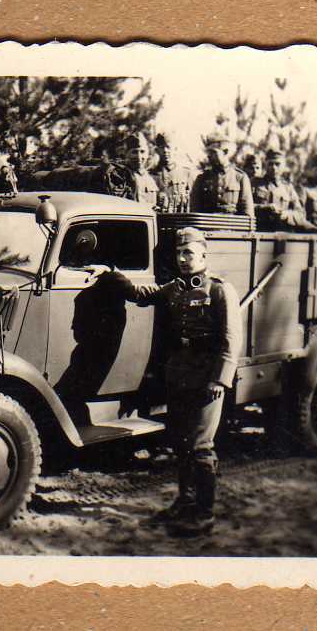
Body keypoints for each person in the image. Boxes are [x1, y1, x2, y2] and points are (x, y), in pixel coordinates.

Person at [102, 227, 243, 537]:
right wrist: (113, 274)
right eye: (179, 253)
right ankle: (185, 502)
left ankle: (204, 513)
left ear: (204, 255)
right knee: (180, 444)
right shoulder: (175, 288)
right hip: (179, 374)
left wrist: (220, 379)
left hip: (208, 379)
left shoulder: (220, 290)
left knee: (201, 446)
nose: (183, 258)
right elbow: (142, 295)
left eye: (189, 253)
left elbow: (231, 340)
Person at [190, 141, 255, 217]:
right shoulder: (202, 178)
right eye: (208, 153)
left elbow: (247, 212)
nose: (209, 156)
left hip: (232, 226)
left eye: (213, 152)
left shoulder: (240, 177)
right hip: (207, 225)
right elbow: (195, 210)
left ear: (225, 152)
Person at [253, 148, 308, 231]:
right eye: (270, 164)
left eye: (277, 164)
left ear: (283, 166)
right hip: (260, 234)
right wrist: (263, 208)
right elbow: (244, 207)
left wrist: (287, 214)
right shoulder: (254, 183)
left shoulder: (288, 188)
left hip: (283, 235)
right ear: (265, 165)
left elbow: (300, 214)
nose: (274, 167)